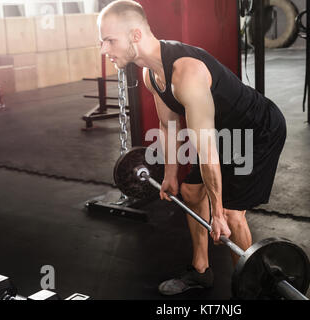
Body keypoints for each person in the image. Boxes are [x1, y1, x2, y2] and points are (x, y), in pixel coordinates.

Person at [98, 0, 286, 296]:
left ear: (135, 35)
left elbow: (208, 149)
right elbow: (169, 125)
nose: (104, 49)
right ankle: (201, 271)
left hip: (257, 130)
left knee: (232, 213)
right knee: (189, 191)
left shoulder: (187, 74)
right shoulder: (151, 74)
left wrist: (218, 216)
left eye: (109, 40)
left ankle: (251, 288)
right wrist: (171, 173)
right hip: (222, 132)